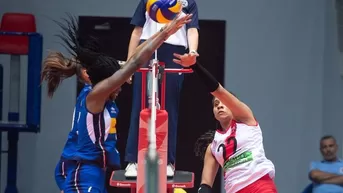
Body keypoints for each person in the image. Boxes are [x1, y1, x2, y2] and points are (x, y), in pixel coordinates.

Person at [44, 13, 191, 193]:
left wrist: (162, 33)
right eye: (117, 83)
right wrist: (165, 32)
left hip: (95, 172)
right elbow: (135, 63)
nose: (121, 87)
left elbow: (134, 58)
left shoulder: (100, 94)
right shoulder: (95, 95)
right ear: (107, 82)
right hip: (83, 172)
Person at [174, 58, 277, 193]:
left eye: (223, 103)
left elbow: (218, 90)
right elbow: (205, 185)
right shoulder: (213, 147)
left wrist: (195, 66)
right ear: (213, 112)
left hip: (259, 184)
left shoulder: (246, 120)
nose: (220, 106)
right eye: (216, 105)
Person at [125, 0, 200, 178]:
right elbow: (137, 30)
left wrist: (193, 52)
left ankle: (168, 161)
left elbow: (192, 29)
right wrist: (128, 64)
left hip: (174, 51)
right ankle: (133, 160)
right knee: (139, 105)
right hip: (146, 47)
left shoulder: (188, 1)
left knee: (169, 108)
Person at [41, 53, 92, 192]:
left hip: (78, 163)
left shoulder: (91, 92)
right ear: (86, 73)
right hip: (72, 164)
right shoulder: (92, 94)